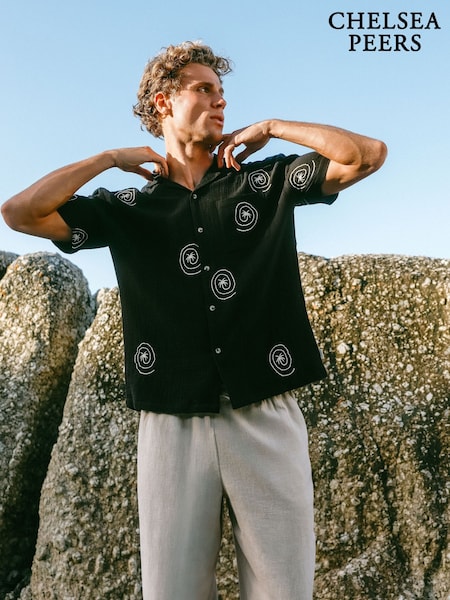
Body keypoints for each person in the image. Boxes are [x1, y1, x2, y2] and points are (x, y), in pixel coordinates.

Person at [2, 41, 387, 600]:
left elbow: (367, 155)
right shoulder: (127, 208)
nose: (220, 101)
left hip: (265, 409)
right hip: (170, 419)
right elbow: (19, 213)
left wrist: (273, 127)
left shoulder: (265, 182)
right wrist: (108, 159)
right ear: (164, 101)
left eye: (222, 92)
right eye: (204, 89)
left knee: (285, 591)